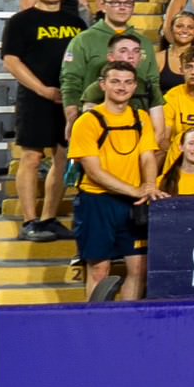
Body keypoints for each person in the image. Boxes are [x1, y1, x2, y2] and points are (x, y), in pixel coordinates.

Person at [1, 0, 83, 240]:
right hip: (35, 98)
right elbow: (11, 61)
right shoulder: (20, 22)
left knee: (62, 157)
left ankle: (49, 217)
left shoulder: (77, 24)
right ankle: (29, 221)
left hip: (67, 99)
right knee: (32, 157)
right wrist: (42, 90)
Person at [67, 63, 160, 300]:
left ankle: (130, 321)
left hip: (134, 204)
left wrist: (149, 186)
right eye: (116, 81)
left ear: (135, 86)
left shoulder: (141, 118)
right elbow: (94, 171)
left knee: (139, 268)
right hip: (97, 202)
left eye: (128, 82)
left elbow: (148, 156)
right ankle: (96, 325)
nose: (122, 87)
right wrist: (136, 190)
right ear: (103, 84)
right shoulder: (87, 121)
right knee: (99, 268)